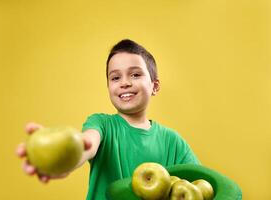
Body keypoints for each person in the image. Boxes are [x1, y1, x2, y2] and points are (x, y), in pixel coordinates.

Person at [16, 39, 200, 200]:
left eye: (135, 74)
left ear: (155, 86)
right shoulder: (101, 124)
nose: (124, 82)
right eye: (115, 77)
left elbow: (202, 185)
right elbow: (86, 145)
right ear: (108, 86)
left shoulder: (173, 142)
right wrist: (63, 161)